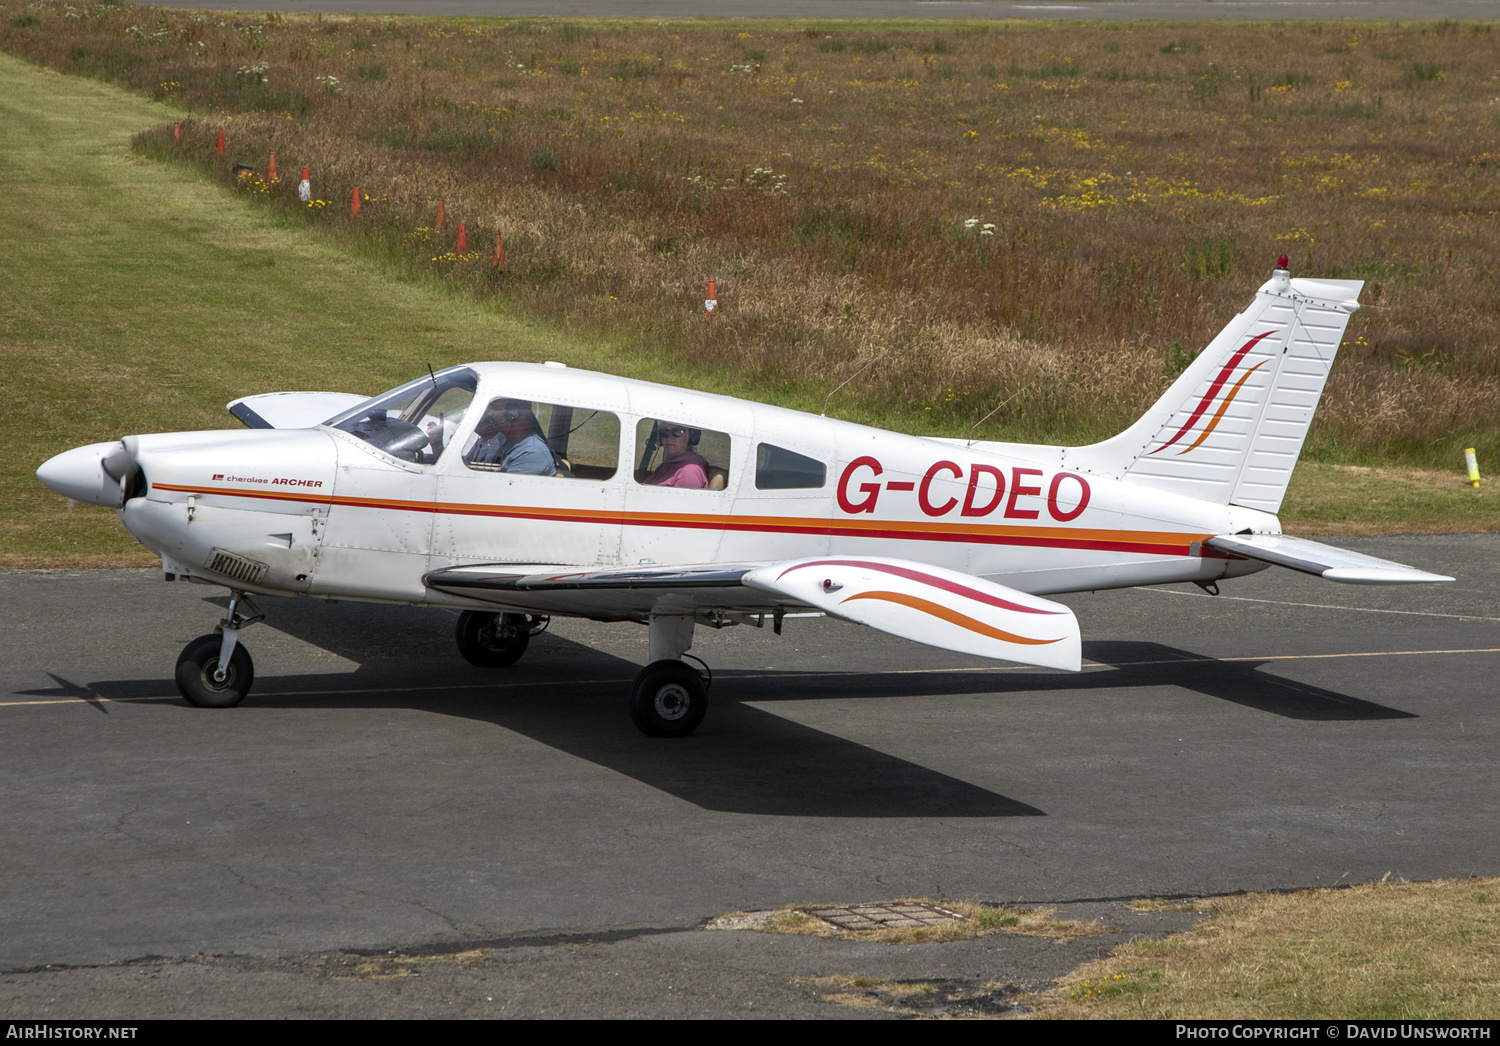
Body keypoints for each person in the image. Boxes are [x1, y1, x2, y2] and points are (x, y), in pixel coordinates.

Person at [464, 399, 556, 476]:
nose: (490, 413)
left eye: (494, 408)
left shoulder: (532, 453)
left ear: (512, 414)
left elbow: (504, 493)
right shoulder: (503, 442)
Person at [644, 422, 710, 488]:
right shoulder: (668, 464)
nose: (669, 438)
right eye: (664, 432)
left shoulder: (689, 471)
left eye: (677, 432)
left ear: (690, 437)